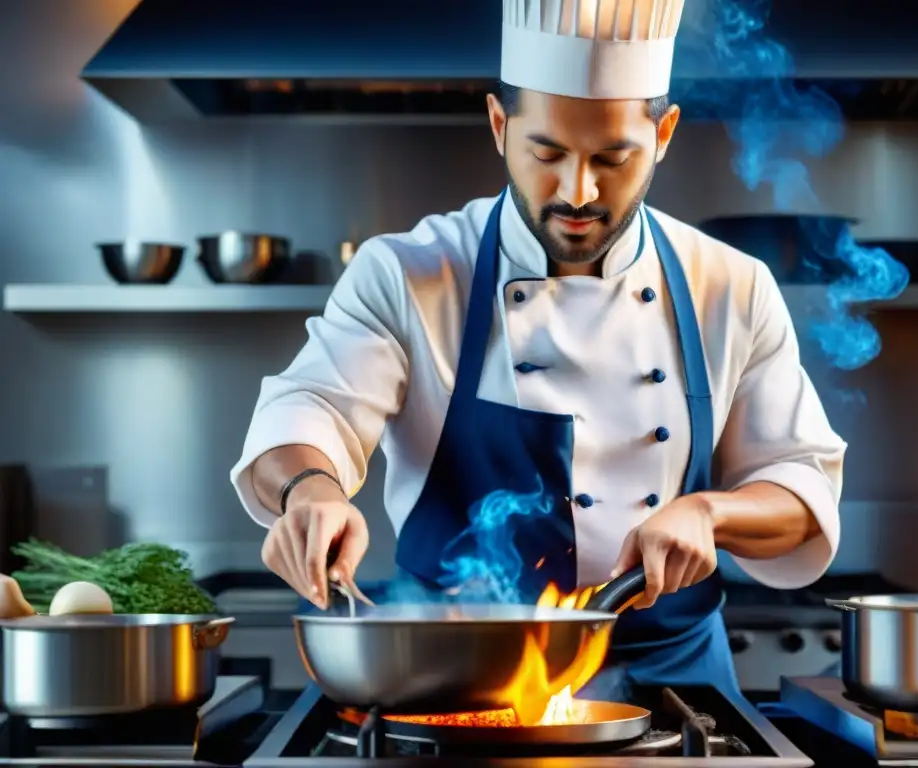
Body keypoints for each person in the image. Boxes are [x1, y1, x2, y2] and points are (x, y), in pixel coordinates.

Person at [230, 0, 846, 699]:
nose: (577, 192)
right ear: (500, 125)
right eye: (546, 153)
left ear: (665, 133)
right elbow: (309, 409)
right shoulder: (411, 274)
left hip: (675, 686)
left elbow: (803, 485)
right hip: (459, 681)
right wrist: (310, 492)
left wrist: (711, 512)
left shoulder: (731, 287)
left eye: (613, 158)